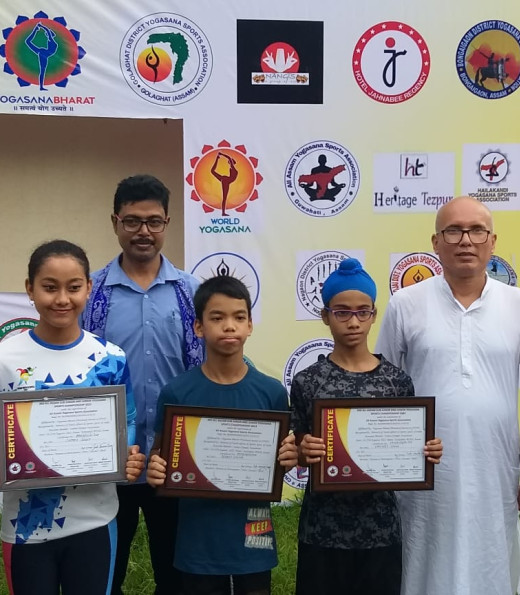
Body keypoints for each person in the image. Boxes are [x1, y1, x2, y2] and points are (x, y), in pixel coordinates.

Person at [376, 196, 520, 595]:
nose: (465, 240)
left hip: (495, 466)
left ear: (493, 241)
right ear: (436, 242)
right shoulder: (406, 304)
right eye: (453, 230)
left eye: (476, 230)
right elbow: (383, 393)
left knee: (492, 559)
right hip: (422, 472)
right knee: (422, 560)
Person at [290, 258, 443, 595]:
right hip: (322, 530)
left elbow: (409, 448)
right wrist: (304, 451)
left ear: (374, 314)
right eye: (342, 312)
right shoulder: (307, 382)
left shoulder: (396, 381)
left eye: (363, 311)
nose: (353, 321)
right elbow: (300, 452)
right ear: (325, 315)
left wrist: (425, 452)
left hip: (380, 529)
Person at [0, 239, 145, 595]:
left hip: (94, 520)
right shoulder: (5, 357)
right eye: (50, 287)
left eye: (74, 287)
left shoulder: (110, 358)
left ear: (89, 288)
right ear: (30, 289)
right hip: (23, 525)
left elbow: (126, 429)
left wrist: (128, 458)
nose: (62, 299)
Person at [82, 174, 203, 595]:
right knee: (104, 572)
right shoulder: (90, 293)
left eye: (153, 221)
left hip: (174, 458)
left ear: (167, 222)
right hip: (110, 461)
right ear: (115, 222)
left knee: (176, 573)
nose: (143, 232)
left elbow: (209, 372)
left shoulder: (192, 293)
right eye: (132, 221)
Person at [146, 275, 298, 595]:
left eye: (239, 317)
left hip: (253, 536)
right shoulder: (177, 393)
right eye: (217, 317)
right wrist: (157, 470)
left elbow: (277, 468)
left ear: (250, 326)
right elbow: (161, 462)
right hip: (197, 543)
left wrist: (287, 459)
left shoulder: (270, 393)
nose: (229, 326)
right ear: (199, 327)